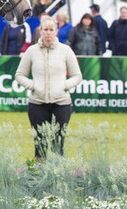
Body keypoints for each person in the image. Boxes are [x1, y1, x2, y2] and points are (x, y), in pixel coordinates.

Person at [15, 15, 83, 160]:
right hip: (37, 103)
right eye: (45, 29)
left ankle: (58, 173)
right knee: (39, 141)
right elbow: (19, 75)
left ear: (56, 31)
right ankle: (39, 174)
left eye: (51, 29)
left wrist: (64, 86)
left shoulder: (66, 50)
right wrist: (33, 86)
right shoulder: (32, 51)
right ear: (40, 31)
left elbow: (77, 76)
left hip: (62, 103)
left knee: (58, 141)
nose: (48, 32)